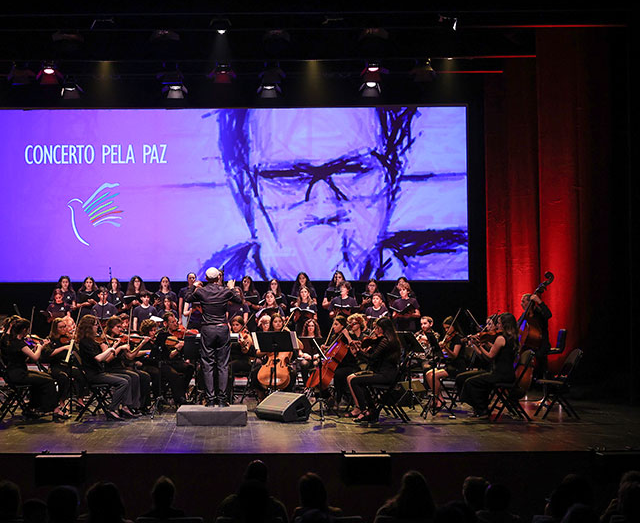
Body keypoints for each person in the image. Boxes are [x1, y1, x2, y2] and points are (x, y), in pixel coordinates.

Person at [201, 107, 468, 281]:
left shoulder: (451, 267)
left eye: (351, 170)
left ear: (392, 179)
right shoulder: (213, 282)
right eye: (288, 176)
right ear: (245, 190)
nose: (324, 208)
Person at [190, 267, 243, 405]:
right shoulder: (225, 291)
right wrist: (232, 288)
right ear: (219, 277)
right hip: (222, 329)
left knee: (208, 365)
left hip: (207, 330)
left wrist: (193, 286)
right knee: (223, 365)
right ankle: (222, 400)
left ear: (206, 279)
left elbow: (188, 298)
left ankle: (210, 400)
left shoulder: (201, 291)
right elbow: (238, 301)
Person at [76, 314, 141, 419]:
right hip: (94, 375)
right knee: (123, 382)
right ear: (89, 327)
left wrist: (114, 346)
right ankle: (112, 408)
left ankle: (125, 407)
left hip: (99, 372)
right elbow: (98, 358)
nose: (97, 327)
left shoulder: (92, 341)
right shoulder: (85, 342)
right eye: (95, 325)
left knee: (128, 378)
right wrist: (110, 350)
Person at [0, 318, 65, 421]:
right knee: (49, 380)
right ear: (24, 330)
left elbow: (25, 357)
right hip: (18, 375)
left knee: (45, 377)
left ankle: (33, 407)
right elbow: (35, 358)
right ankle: (52, 409)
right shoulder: (19, 343)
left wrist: (35, 349)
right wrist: (40, 347)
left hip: (13, 373)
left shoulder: (10, 341)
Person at [460, 312, 519, 417]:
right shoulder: (512, 338)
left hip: (500, 374)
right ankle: (482, 407)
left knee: (471, 382)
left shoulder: (501, 338)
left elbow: (490, 356)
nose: (497, 326)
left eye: (499, 323)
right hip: (508, 374)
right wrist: (485, 343)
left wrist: (479, 345)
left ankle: (482, 409)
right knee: (476, 380)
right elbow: (499, 351)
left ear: (504, 325)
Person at [348, 317, 402, 422]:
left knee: (355, 381)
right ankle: (371, 410)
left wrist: (358, 352)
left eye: (377, 328)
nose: (375, 331)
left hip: (385, 376)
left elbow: (371, 358)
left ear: (382, 329)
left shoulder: (385, 341)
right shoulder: (391, 339)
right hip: (388, 374)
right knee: (360, 381)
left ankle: (365, 411)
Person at [103, 316, 150, 412]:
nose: (121, 329)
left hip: (120, 367)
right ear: (111, 327)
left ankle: (138, 405)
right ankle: (128, 406)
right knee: (134, 376)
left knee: (143, 376)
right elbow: (107, 360)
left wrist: (141, 344)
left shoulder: (120, 339)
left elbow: (130, 356)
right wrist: (119, 348)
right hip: (110, 368)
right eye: (118, 327)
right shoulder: (105, 340)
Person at [519, 292, 552, 379]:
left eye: (523, 301)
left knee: (537, 356)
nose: (521, 304)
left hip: (541, 344)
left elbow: (549, 314)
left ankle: (540, 380)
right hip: (529, 345)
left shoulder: (539, 313)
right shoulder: (525, 315)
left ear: (530, 302)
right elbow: (518, 328)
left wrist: (539, 301)